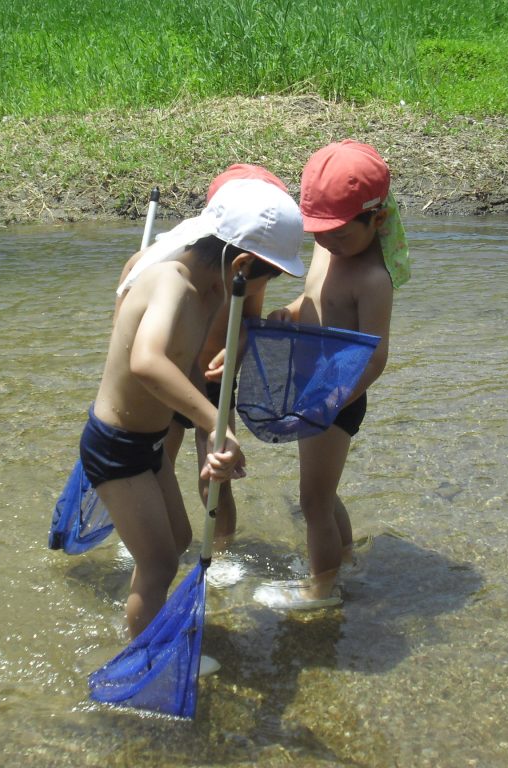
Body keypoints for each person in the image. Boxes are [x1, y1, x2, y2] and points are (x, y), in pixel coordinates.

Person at [82, 178, 305, 639]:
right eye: (271, 276)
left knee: (179, 540)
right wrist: (214, 425)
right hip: (117, 446)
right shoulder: (172, 283)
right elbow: (146, 362)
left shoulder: (209, 289)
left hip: (146, 441)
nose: (268, 286)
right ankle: (141, 659)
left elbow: (186, 364)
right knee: (160, 563)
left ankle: (144, 620)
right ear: (241, 263)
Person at [260, 140, 410, 608]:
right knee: (323, 493)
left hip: (339, 395)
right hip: (314, 388)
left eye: (340, 235)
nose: (327, 243)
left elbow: (376, 355)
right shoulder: (330, 251)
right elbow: (315, 301)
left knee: (313, 502)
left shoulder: (372, 279)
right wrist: (290, 311)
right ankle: (343, 557)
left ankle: (320, 589)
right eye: (319, 233)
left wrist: (331, 400)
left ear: (377, 221)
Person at [115, 164, 290, 545]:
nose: (266, 284)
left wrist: (236, 349)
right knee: (159, 464)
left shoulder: (244, 276)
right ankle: (148, 537)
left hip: (213, 382)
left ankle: (221, 548)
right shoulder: (161, 269)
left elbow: (249, 323)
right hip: (165, 385)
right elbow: (128, 348)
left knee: (215, 475)